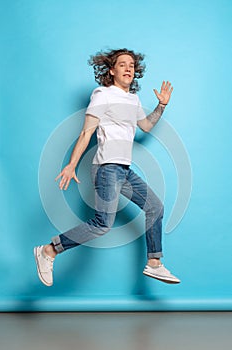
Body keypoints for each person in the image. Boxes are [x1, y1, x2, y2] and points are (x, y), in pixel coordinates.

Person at [34, 48, 180, 287]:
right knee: (102, 224)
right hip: (106, 168)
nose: (128, 68)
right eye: (122, 64)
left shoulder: (132, 99)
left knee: (155, 207)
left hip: (124, 169)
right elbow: (86, 132)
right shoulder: (102, 94)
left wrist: (161, 106)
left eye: (131, 65)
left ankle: (154, 263)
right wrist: (71, 164)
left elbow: (145, 126)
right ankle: (49, 251)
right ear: (112, 71)